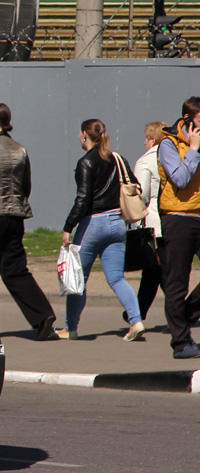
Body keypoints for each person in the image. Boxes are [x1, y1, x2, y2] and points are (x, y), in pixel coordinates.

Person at [58, 118, 146, 342]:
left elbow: (83, 199)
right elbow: (135, 185)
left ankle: (70, 328)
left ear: (85, 136)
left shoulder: (85, 163)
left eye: (80, 133)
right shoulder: (117, 158)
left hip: (92, 225)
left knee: (79, 279)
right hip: (117, 223)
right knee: (116, 278)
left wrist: (68, 227)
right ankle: (136, 321)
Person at [0, 103, 57, 340]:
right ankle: (42, 314)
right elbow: (26, 185)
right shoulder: (20, 149)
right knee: (15, 270)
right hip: (15, 214)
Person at [155, 99, 200, 359]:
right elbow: (181, 180)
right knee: (177, 284)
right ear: (187, 118)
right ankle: (181, 343)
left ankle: (184, 315)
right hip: (179, 218)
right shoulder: (168, 145)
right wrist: (194, 150)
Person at [131, 121, 166, 322]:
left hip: (152, 224)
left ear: (152, 139)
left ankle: (178, 315)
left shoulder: (145, 161)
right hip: (168, 219)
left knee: (160, 271)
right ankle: (136, 312)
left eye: (146, 138)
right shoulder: (171, 156)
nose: (144, 142)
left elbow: (142, 194)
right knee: (152, 272)